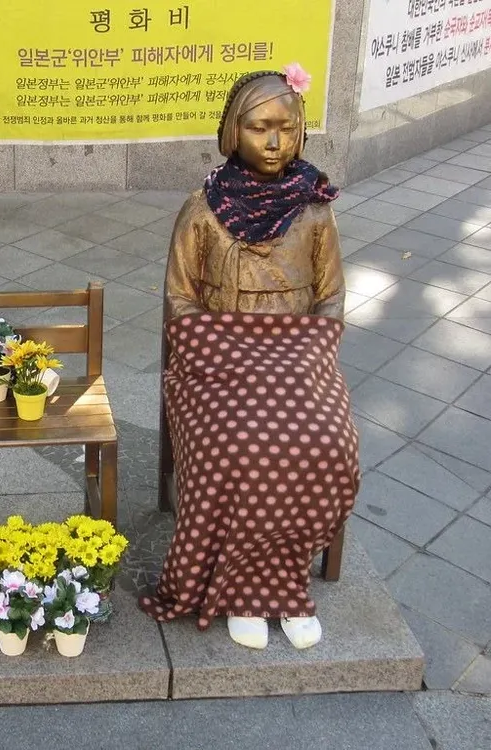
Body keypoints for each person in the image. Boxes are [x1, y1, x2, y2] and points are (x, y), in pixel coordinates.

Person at [138, 66, 360, 650]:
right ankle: (240, 587)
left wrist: (304, 353)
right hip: (216, 361)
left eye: (286, 129)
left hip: (295, 360)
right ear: (231, 132)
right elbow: (180, 296)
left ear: (302, 135)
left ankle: (280, 576)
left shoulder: (315, 209)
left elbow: (331, 295)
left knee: (325, 443)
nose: (272, 142)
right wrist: (220, 350)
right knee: (239, 445)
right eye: (259, 127)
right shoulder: (204, 207)